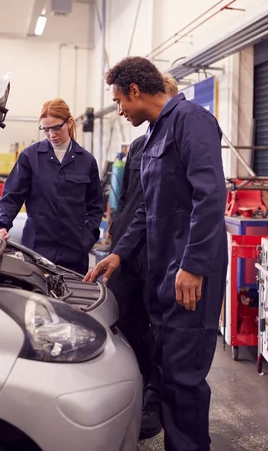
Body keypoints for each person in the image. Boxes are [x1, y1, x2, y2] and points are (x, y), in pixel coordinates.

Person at [85, 57, 228, 451]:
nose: (119, 110)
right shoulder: (153, 135)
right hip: (164, 270)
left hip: (190, 271)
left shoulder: (191, 121)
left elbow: (211, 197)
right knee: (165, 370)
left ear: (135, 91)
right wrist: (120, 254)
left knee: (183, 378)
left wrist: (194, 265)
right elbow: (147, 205)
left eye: (119, 101)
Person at [108, 72, 179, 441]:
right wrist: (114, 235)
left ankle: (155, 396)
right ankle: (136, 385)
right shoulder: (137, 148)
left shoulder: (180, 140)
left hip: (157, 253)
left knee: (160, 327)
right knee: (123, 318)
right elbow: (132, 200)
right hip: (126, 249)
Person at [0, 98, 104, 275]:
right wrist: (2, 224)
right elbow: (12, 196)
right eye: (45, 129)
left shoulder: (86, 161)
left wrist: (87, 237)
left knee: (72, 297)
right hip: (37, 248)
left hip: (74, 249)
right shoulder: (30, 157)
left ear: (69, 123)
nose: (51, 134)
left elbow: (95, 205)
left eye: (56, 127)